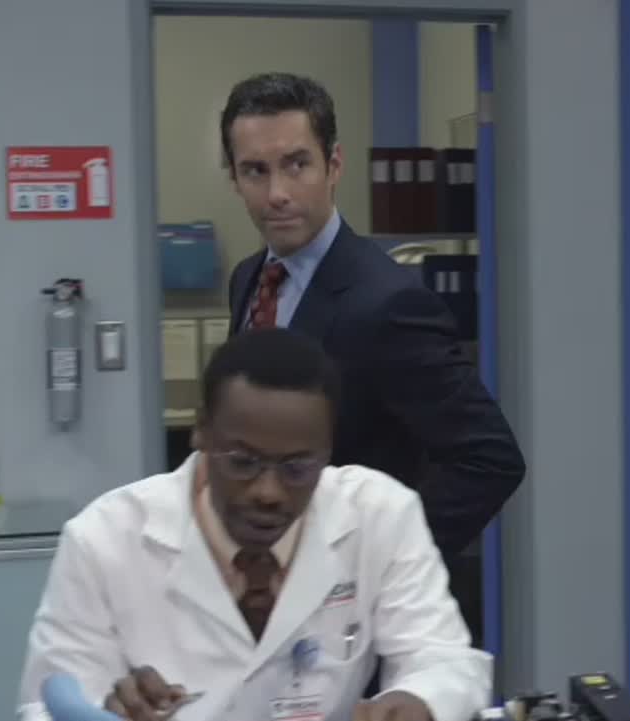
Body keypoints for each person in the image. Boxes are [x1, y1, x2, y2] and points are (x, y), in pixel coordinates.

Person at [16, 328, 490, 721]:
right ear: (201, 431)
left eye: (297, 467)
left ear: (328, 449)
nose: (269, 492)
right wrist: (109, 710)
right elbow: (47, 706)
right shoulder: (104, 539)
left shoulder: (379, 514)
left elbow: (442, 658)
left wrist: (418, 701)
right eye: (243, 462)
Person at [220, 72, 525, 558]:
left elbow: (488, 458)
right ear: (234, 179)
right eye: (256, 170)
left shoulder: (388, 301)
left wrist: (377, 564)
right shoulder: (248, 280)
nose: (277, 192)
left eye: (297, 164)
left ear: (333, 165)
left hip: (343, 588)